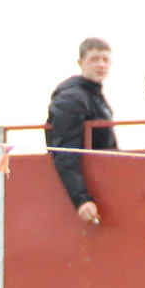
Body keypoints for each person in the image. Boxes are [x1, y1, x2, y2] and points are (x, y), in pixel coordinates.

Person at [46, 37, 117, 224]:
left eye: (105, 59)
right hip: (91, 185)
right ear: (81, 63)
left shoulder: (94, 96)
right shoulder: (72, 98)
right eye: (94, 59)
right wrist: (81, 199)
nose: (101, 64)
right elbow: (65, 153)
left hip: (102, 178)